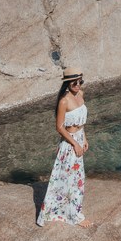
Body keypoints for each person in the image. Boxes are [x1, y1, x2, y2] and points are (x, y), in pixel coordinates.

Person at [36, 67, 92, 227]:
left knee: (76, 179)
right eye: (74, 82)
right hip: (69, 144)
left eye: (80, 81)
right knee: (72, 179)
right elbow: (60, 127)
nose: (78, 85)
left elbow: (82, 119)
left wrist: (84, 138)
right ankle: (76, 217)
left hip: (79, 138)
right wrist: (75, 143)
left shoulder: (80, 95)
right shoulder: (64, 101)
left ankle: (69, 209)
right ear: (67, 83)